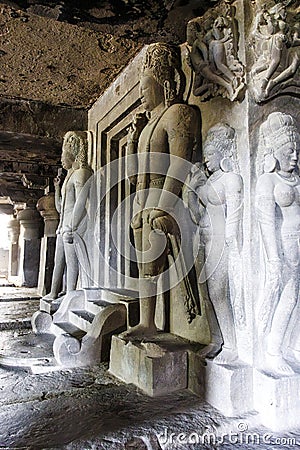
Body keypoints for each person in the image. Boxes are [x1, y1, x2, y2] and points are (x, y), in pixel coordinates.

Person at [123, 42, 199, 337]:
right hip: (141, 203)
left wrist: (163, 205)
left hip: (161, 200)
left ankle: (158, 323)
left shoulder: (178, 114)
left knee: (155, 266)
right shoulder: (146, 127)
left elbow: (179, 164)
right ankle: (147, 322)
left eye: (145, 86)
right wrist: (132, 140)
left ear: (164, 84)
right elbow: (132, 177)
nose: (141, 93)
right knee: (146, 269)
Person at [256, 112, 300, 376]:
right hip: (285, 244)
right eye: (289, 150)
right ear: (274, 152)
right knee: (289, 295)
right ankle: (273, 350)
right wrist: (273, 257)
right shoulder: (267, 180)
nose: (294, 156)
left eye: (296, 150)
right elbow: (265, 222)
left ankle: (294, 345)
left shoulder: (297, 178)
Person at [195, 123, 243, 364]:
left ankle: (232, 345)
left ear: (223, 154)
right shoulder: (209, 181)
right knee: (205, 294)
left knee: (218, 292)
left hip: (220, 242)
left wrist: (233, 241)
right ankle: (216, 338)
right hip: (203, 239)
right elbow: (196, 214)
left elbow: (234, 213)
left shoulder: (231, 179)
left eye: (211, 154)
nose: (207, 160)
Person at [43, 131, 93, 301]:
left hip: (74, 224)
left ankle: (71, 294)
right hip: (63, 225)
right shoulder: (68, 178)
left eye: (63, 154)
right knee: (59, 261)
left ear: (72, 153)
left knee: (72, 263)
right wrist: (57, 188)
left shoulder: (81, 173)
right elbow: (60, 207)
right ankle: (54, 292)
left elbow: (81, 202)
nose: (61, 159)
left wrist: (72, 226)